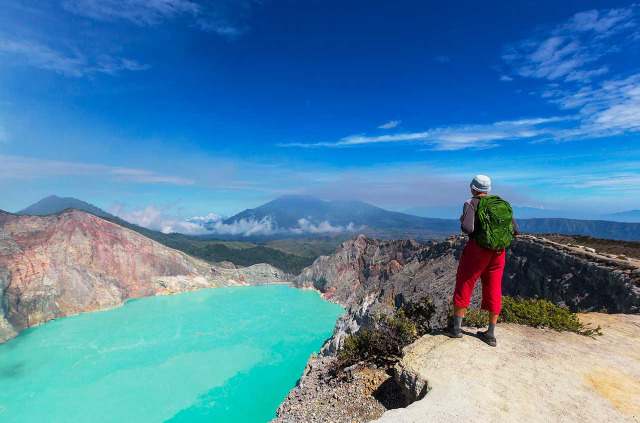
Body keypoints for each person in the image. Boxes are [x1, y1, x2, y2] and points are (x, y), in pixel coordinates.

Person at [448, 175, 519, 347]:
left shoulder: (471, 203)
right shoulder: (501, 204)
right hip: (498, 253)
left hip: (477, 251)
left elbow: (468, 228)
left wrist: (462, 220)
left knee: (465, 283)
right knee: (494, 288)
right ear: (488, 190)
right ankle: (491, 334)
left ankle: (456, 329)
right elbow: (515, 230)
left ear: (473, 188)